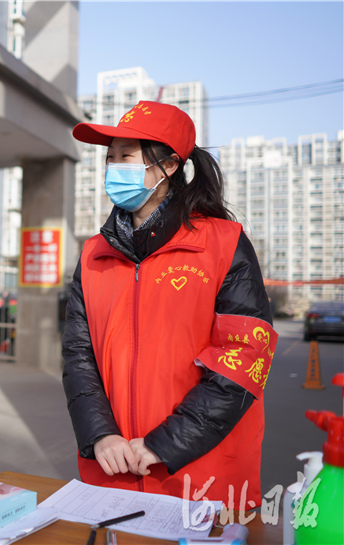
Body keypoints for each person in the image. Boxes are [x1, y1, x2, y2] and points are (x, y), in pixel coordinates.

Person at [62, 101, 277, 510]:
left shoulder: (224, 243)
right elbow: (78, 355)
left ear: (169, 166)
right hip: (115, 469)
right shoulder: (93, 254)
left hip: (199, 475)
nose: (113, 168)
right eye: (109, 158)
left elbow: (245, 356)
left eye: (125, 156)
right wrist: (99, 435)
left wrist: (166, 443)